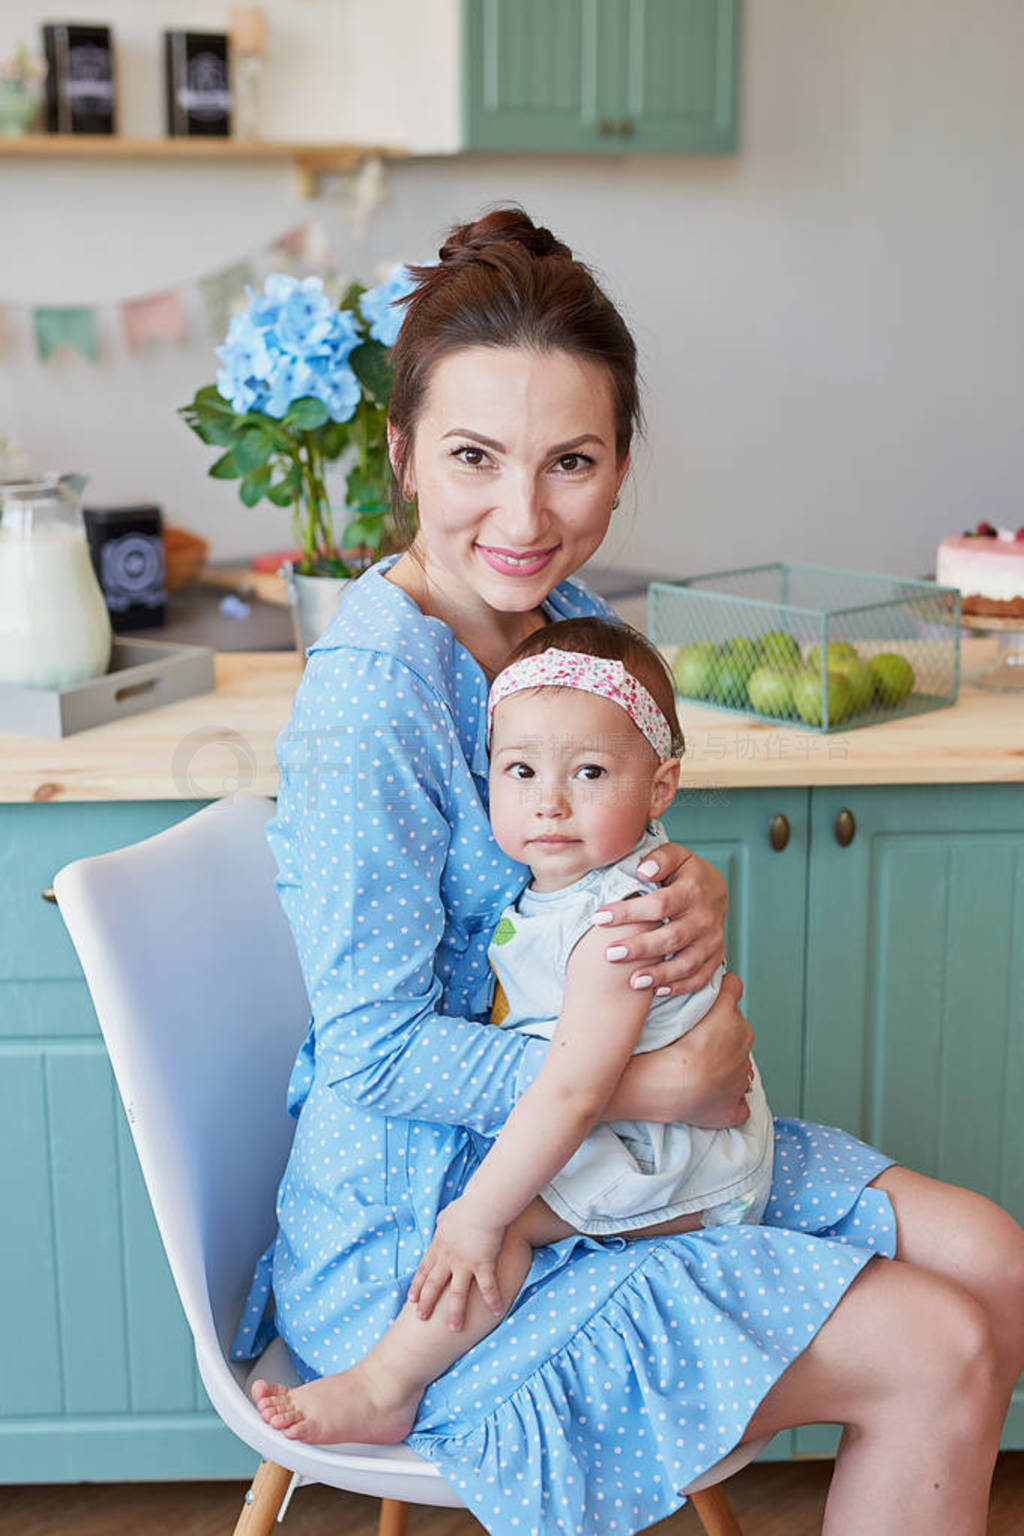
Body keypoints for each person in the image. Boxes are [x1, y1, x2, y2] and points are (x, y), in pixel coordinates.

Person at [232, 207, 1024, 1536]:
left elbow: (596, 863)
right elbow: (371, 1052)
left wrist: (684, 890)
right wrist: (642, 1080)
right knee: (938, 1346)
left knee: (996, 1264)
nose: (525, 516)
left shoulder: (579, 631)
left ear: (621, 464)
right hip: (436, 1241)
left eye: (573, 463)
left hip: (624, 1158)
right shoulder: (375, 705)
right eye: (475, 457)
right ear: (402, 456)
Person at [251, 617, 776, 1445]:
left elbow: (571, 1093)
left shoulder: (613, 929)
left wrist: (473, 1219)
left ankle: (390, 1383)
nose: (549, 803)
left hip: (679, 1159)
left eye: (591, 773)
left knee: (506, 1220)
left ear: (659, 788)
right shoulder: (584, 878)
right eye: (520, 771)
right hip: (662, 1117)